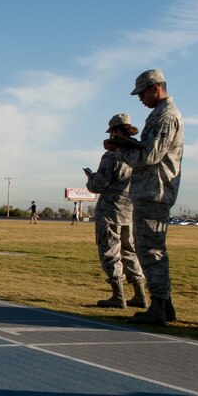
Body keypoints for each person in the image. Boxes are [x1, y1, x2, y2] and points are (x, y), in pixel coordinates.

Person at [108, 69, 184, 326]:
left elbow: (150, 156)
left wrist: (121, 151)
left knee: (150, 251)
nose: (140, 98)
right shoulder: (160, 114)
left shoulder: (165, 116)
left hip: (154, 191)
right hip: (151, 190)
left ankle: (160, 307)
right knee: (151, 250)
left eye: (142, 93)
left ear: (156, 88)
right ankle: (165, 305)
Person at [85, 113, 147, 309]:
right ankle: (140, 294)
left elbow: (98, 185)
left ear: (114, 132)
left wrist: (90, 178)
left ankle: (117, 295)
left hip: (110, 209)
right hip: (130, 209)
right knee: (130, 251)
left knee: (110, 250)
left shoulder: (111, 154)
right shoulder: (138, 153)